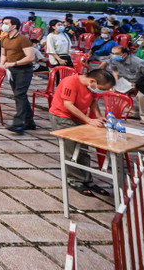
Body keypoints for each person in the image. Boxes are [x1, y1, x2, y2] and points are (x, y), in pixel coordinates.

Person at [48, 68, 115, 196]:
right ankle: (74, 180)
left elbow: (93, 101)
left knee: (83, 150)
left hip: (79, 118)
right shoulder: (70, 82)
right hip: (62, 117)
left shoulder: (90, 86)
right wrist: (88, 120)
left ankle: (87, 180)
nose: (102, 91)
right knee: (70, 151)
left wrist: (98, 116)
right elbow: (68, 104)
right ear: (92, 81)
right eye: (102, 88)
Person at [0, 16, 38, 134]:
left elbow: (30, 57)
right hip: (11, 70)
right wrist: (2, 63)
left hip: (24, 70)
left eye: (5, 23)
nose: (3, 25)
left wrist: (14, 63)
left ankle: (18, 123)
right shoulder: (4, 38)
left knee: (19, 94)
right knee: (20, 95)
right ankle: (29, 122)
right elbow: (4, 54)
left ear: (14, 26)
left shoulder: (22, 39)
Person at [107, 45, 144, 115]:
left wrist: (140, 84)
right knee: (114, 89)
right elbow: (114, 70)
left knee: (141, 96)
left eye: (117, 54)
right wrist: (116, 82)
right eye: (112, 53)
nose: (114, 55)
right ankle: (131, 112)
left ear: (125, 54)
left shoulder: (139, 63)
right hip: (130, 81)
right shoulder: (113, 59)